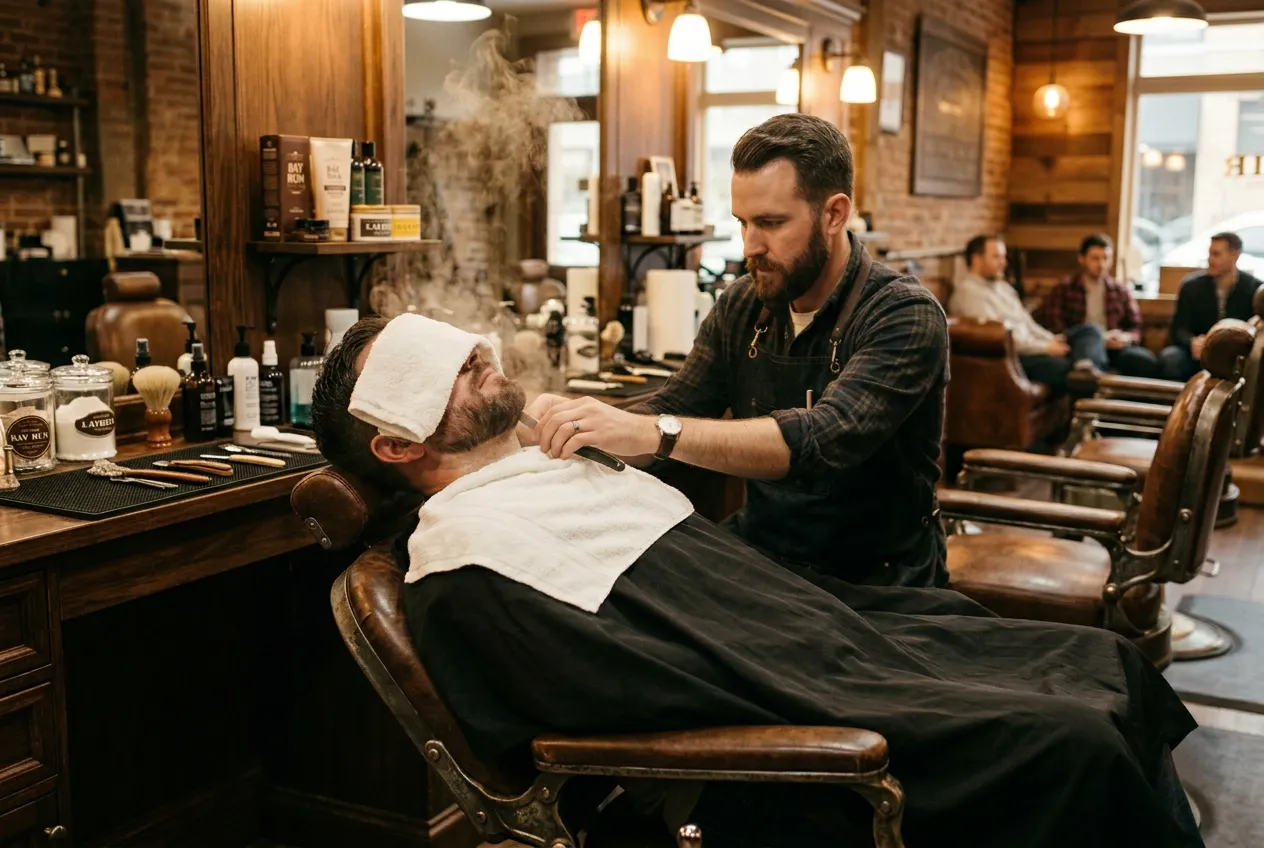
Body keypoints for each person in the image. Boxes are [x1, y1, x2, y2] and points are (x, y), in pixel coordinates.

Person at [310, 314, 1202, 848]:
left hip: (822, 641)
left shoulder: (544, 474)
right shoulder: (468, 563)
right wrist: (842, 669)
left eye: (469, 350)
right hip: (782, 730)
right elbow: (646, 700)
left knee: (1102, 661)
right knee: (1068, 742)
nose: (481, 357)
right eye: (453, 374)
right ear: (397, 444)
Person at [528, 114, 950, 589]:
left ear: (834, 214)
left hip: (876, 579)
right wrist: (581, 424)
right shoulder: (743, 303)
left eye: (770, 223)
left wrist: (649, 431)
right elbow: (676, 408)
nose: (750, 246)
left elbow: (821, 440)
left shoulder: (903, 314)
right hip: (766, 557)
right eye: (743, 222)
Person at [949, 234, 1107, 393]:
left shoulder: (1003, 288)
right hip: (1017, 357)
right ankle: (1087, 375)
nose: (1004, 263)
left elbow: (1028, 323)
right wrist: (1045, 347)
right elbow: (1001, 339)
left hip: (1033, 346)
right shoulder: (970, 294)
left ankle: (1085, 367)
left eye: (1003, 257)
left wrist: (1052, 339)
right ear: (976, 259)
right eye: (996, 257)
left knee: (1089, 331)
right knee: (1065, 367)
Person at [1037, 234, 1158, 377]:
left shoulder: (1120, 290)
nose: (1101, 264)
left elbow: (1136, 326)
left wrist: (1125, 338)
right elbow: (1055, 325)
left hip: (1114, 348)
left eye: (1106, 258)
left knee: (1146, 361)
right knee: (1089, 339)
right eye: (1095, 258)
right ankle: (1093, 380)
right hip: (1079, 347)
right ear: (1082, 259)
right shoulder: (1065, 288)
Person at [1160, 231, 1262, 382]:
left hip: (1236, 356)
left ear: (1235, 255)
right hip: (1195, 352)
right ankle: (1176, 405)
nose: (1210, 260)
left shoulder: (1254, 289)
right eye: (1209, 253)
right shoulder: (1191, 286)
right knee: (1170, 358)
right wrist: (1192, 342)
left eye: (1216, 254)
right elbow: (1178, 329)